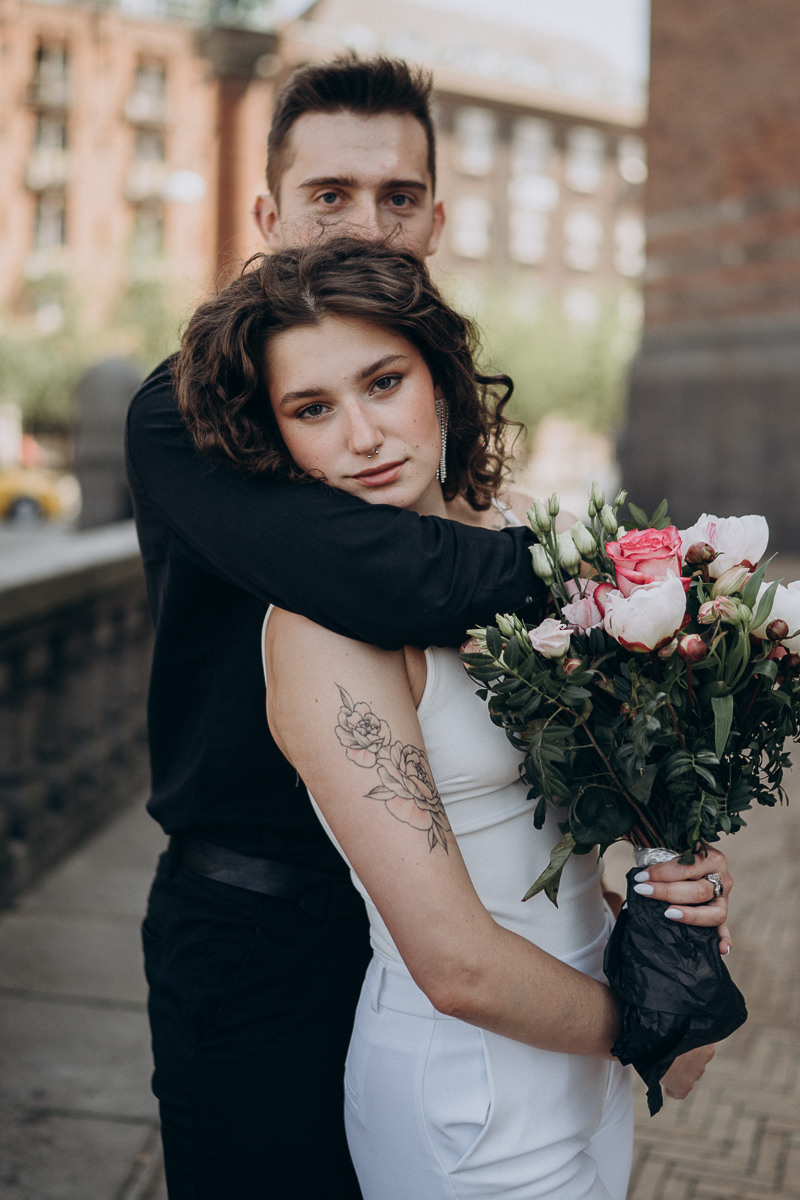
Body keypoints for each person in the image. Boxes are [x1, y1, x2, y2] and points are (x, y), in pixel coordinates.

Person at [126, 55, 732, 1199]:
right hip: (260, 924)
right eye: (329, 195)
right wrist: (609, 580)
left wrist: (660, 878)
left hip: (459, 954)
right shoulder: (196, 408)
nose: (366, 224)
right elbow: (391, 576)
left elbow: (540, 759)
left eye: (397, 197)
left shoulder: (460, 478)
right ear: (267, 217)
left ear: (436, 221)